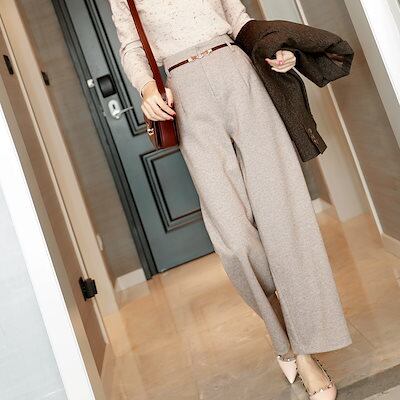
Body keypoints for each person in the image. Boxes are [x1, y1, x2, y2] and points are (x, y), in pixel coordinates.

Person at [109, 1, 352, 399]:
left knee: (284, 212)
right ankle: (281, 333)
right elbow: (131, 45)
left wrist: (278, 51)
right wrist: (148, 89)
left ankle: (304, 352)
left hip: (238, 72)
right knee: (234, 239)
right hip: (183, 92)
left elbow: (238, 19)